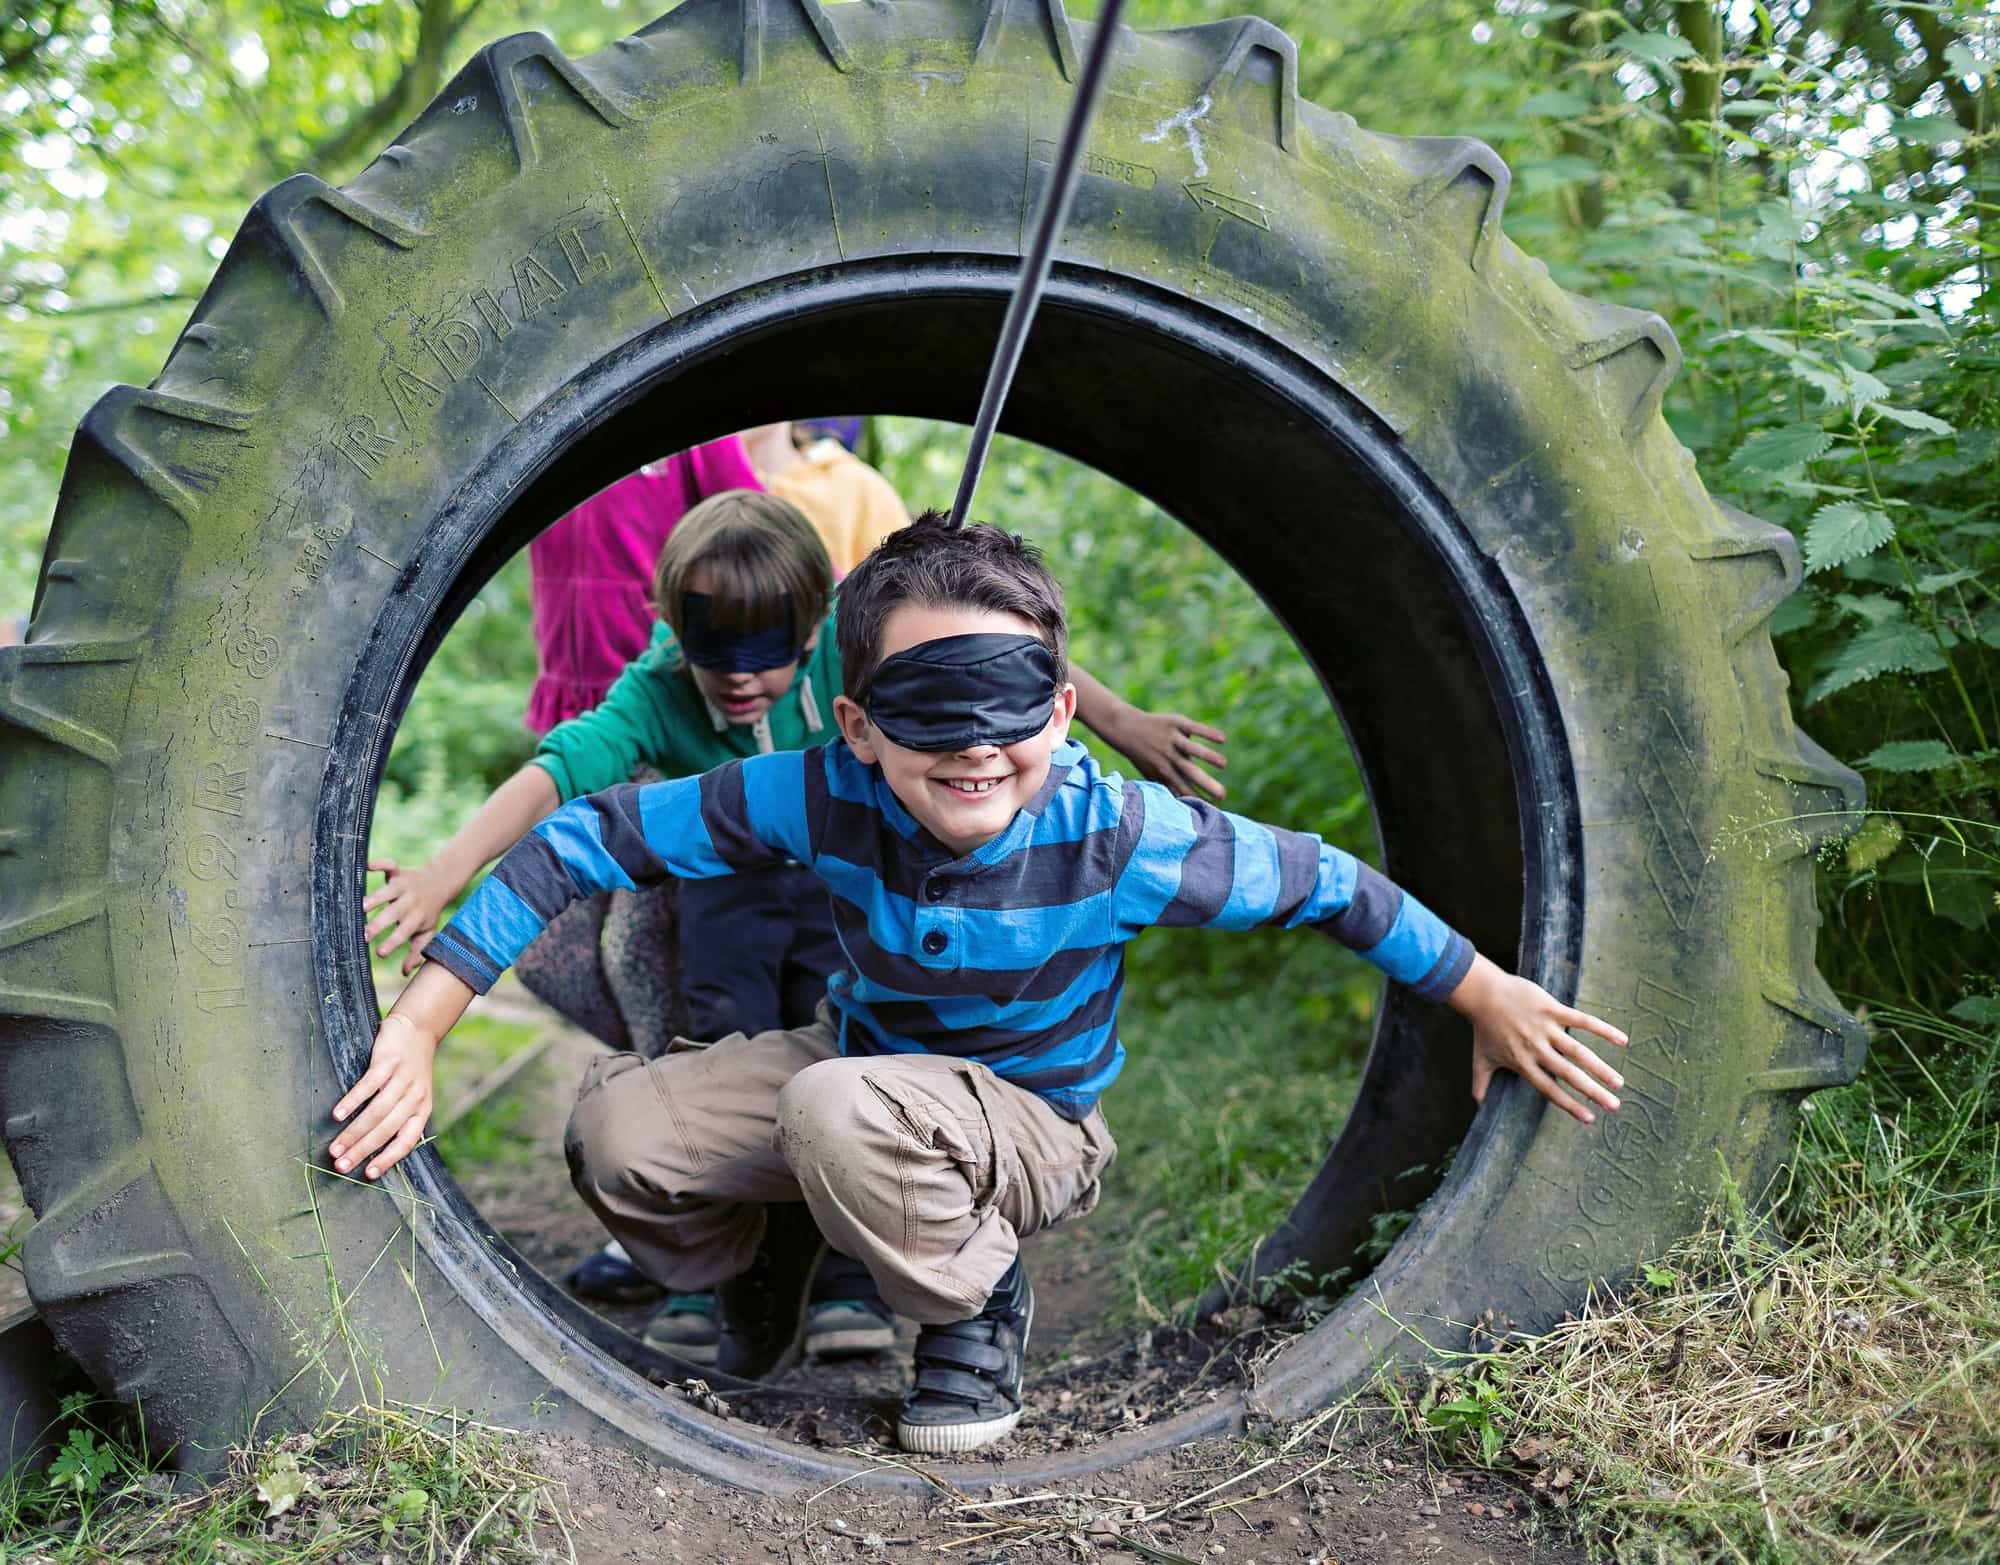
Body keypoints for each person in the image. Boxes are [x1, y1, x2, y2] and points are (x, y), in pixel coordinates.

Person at [330, 513, 1625, 1454]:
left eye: (1007, 705)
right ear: (857, 723)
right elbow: (586, 835)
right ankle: (763, 1264)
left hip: (1032, 1124)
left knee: (838, 1107)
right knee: (619, 1131)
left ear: (1062, 710)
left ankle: (975, 1296)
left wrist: (1485, 990)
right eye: (925, 708)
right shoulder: (824, 793)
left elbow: (1332, 884)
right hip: (859, 1073)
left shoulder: (1118, 833)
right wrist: (427, 1018)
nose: (975, 747)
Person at [360, 494, 1233, 1368]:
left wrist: (1120, 725)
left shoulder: (867, 650)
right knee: (710, 1031)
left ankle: (869, 1270)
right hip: (724, 885)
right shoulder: (665, 696)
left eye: (769, 649)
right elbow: (565, 789)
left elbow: (997, 653)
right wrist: (438, 907)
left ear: (815, 630)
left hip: (846, 887)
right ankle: (737, 1260)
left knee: (847, 1078)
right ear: (667, 628)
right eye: (714, 648)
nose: (742, 677)